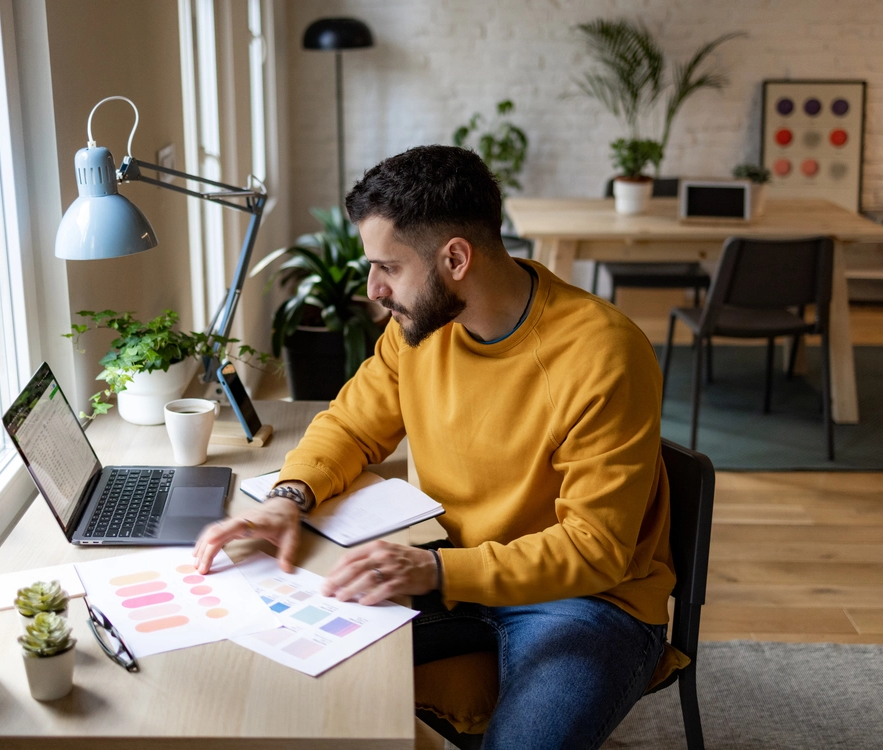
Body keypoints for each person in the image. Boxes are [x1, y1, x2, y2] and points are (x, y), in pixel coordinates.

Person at [194, 145, 675, 749]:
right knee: (283, 679)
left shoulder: (603, 354)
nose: (374, 290)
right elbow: (351, 423)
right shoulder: (418, 330)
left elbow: (596, 549)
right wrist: (289, 497)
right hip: (451, 567)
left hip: (585, 600)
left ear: (454, 258)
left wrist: (435, 569)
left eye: (387, 268)